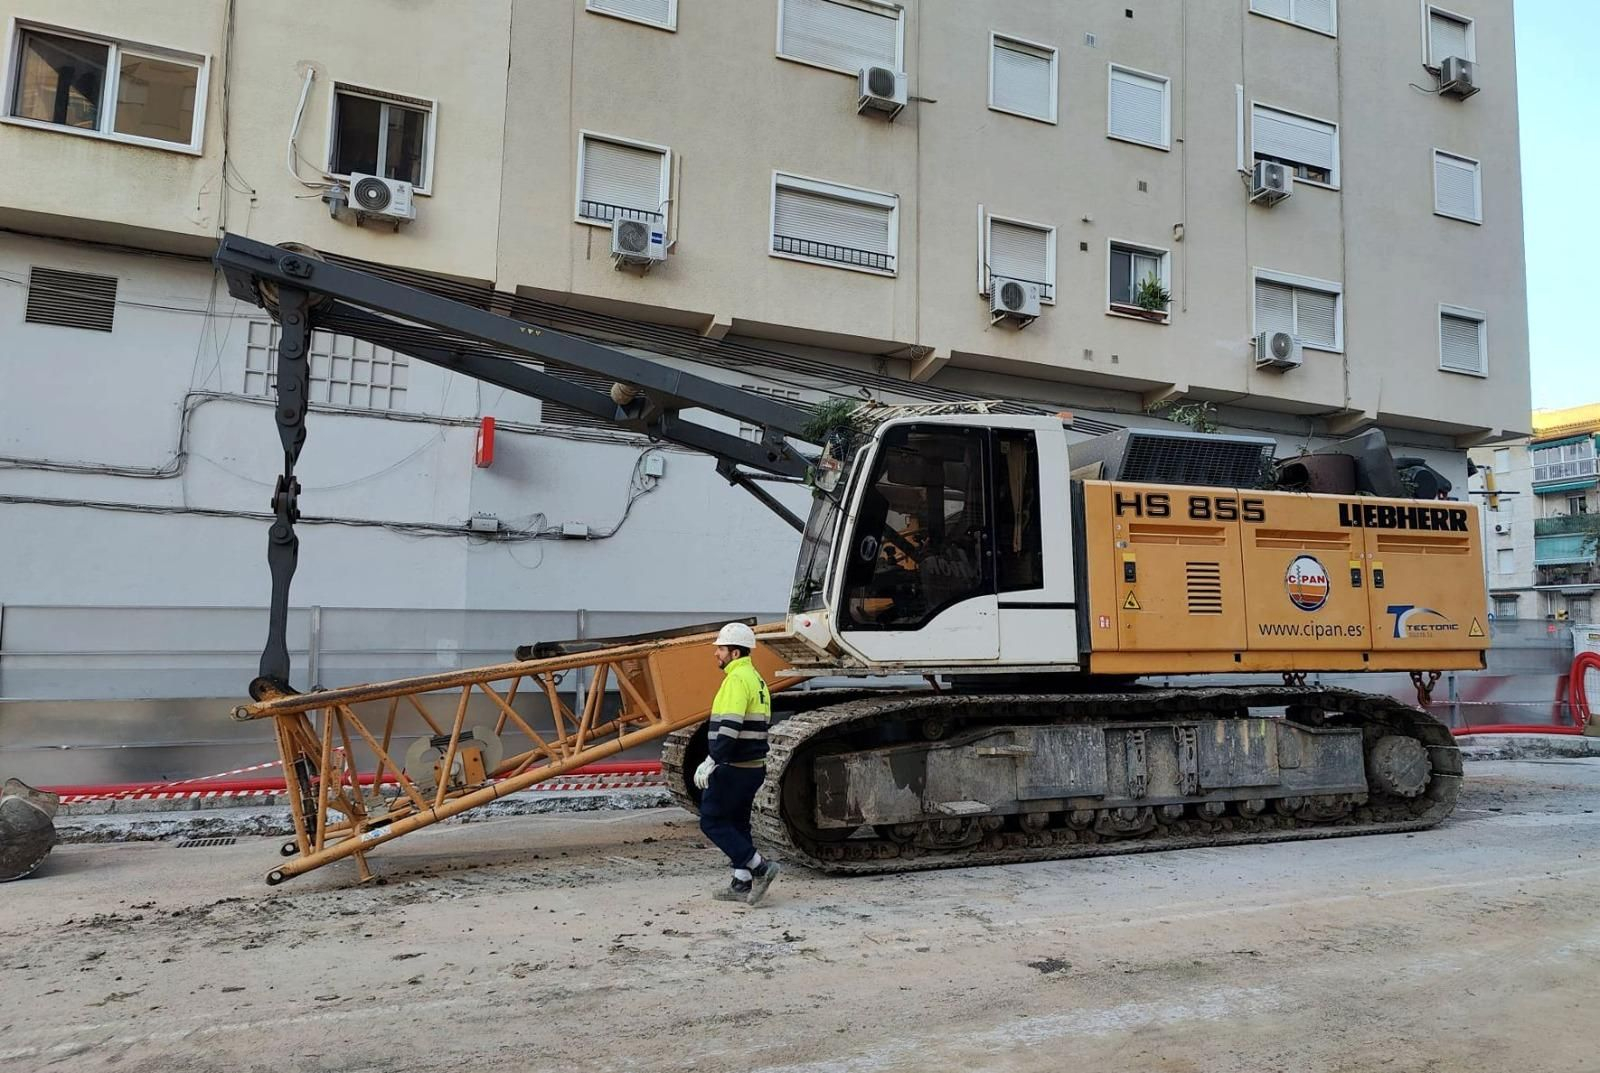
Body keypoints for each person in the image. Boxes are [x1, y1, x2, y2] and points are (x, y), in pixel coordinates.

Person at [693, 622, 780, 905]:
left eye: (720, 648)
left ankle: (760, 868)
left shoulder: (736, 680)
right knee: (737, 822)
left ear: (735, 652)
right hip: (753, 766)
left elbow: (729, 728)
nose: (716, 654)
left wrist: (711, 760)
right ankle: (741, 882)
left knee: (712, 820)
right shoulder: (757, 680)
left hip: (734, 766)